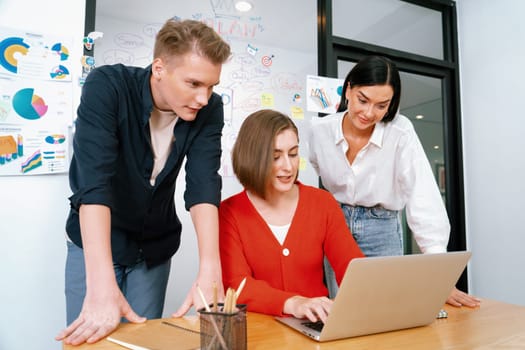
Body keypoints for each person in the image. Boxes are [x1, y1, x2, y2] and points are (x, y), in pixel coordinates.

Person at [56, 19, 231, 346]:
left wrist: (210, 268)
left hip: (152, 247)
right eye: (194, 83)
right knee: (90, 339)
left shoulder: (210, 109)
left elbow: (204, 184)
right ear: (160, 67)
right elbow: (94, 185)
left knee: (141, 343)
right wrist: (100, 282)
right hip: (94, 243)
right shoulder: (108, 86)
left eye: (211, 86)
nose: (204, 97)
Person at [308, 55, 481, 308]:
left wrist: (437, 272)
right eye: (362, 100)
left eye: (381, 105)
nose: (369, 113)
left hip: (382, 226)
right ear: (348, 90)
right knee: (343, 308)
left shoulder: (400, 132)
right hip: (335, 224)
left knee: (384, 308)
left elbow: (421, 192)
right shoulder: (319, 130)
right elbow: (317, 167)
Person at [219, 109, 364, 323]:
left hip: (313, 327)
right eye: (275, 157)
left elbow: (353, 268)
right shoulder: (230, 212)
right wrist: (294, 303)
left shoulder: (322, 203)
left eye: (293, 154)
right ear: (252, 158)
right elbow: (238, 285)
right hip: (259, 332)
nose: (288, 167)